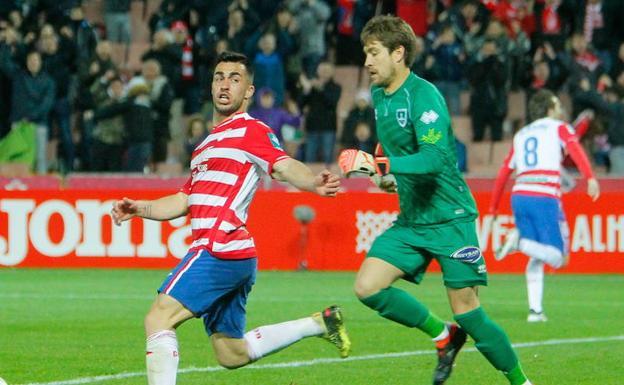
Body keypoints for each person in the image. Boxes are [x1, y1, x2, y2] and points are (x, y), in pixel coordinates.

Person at [110, 51, 350, 385]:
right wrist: (139, 208)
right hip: (235, 256)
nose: (225, 84)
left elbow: (281, 164)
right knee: (231, 354)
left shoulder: (251, 130)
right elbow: (183, 200)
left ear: (249, 91)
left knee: (158, 317)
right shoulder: (205, 146)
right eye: (219, 77)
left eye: (235, 79)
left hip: (219, 246)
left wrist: (311, 182)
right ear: (211, 86)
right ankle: (319, 323)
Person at [338, 15, 533, 385]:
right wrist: (387, 176)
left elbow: (436, 158)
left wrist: (379, 163)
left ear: (398, 53)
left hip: (449, 217)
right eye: (365, 53)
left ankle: (522, 381)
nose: (367, 62)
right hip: (413, 218)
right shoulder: (379, 96)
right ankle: (443, 336)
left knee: (468, 312)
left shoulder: (424, 95)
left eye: (374, 53)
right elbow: (394, 146)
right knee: (367, 287)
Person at [489, 89, 600, 322]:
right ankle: (519, 241)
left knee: (536, 257)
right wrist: (589, 177)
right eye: (557, 103)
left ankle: (535, 311)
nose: (560, 107)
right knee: (559, 257)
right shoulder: (558, 127)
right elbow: (576, 150)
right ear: (550, 108)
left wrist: (493, 208)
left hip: (520, 195)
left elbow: (504, 171)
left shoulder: (521, 134)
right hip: (544, 195)